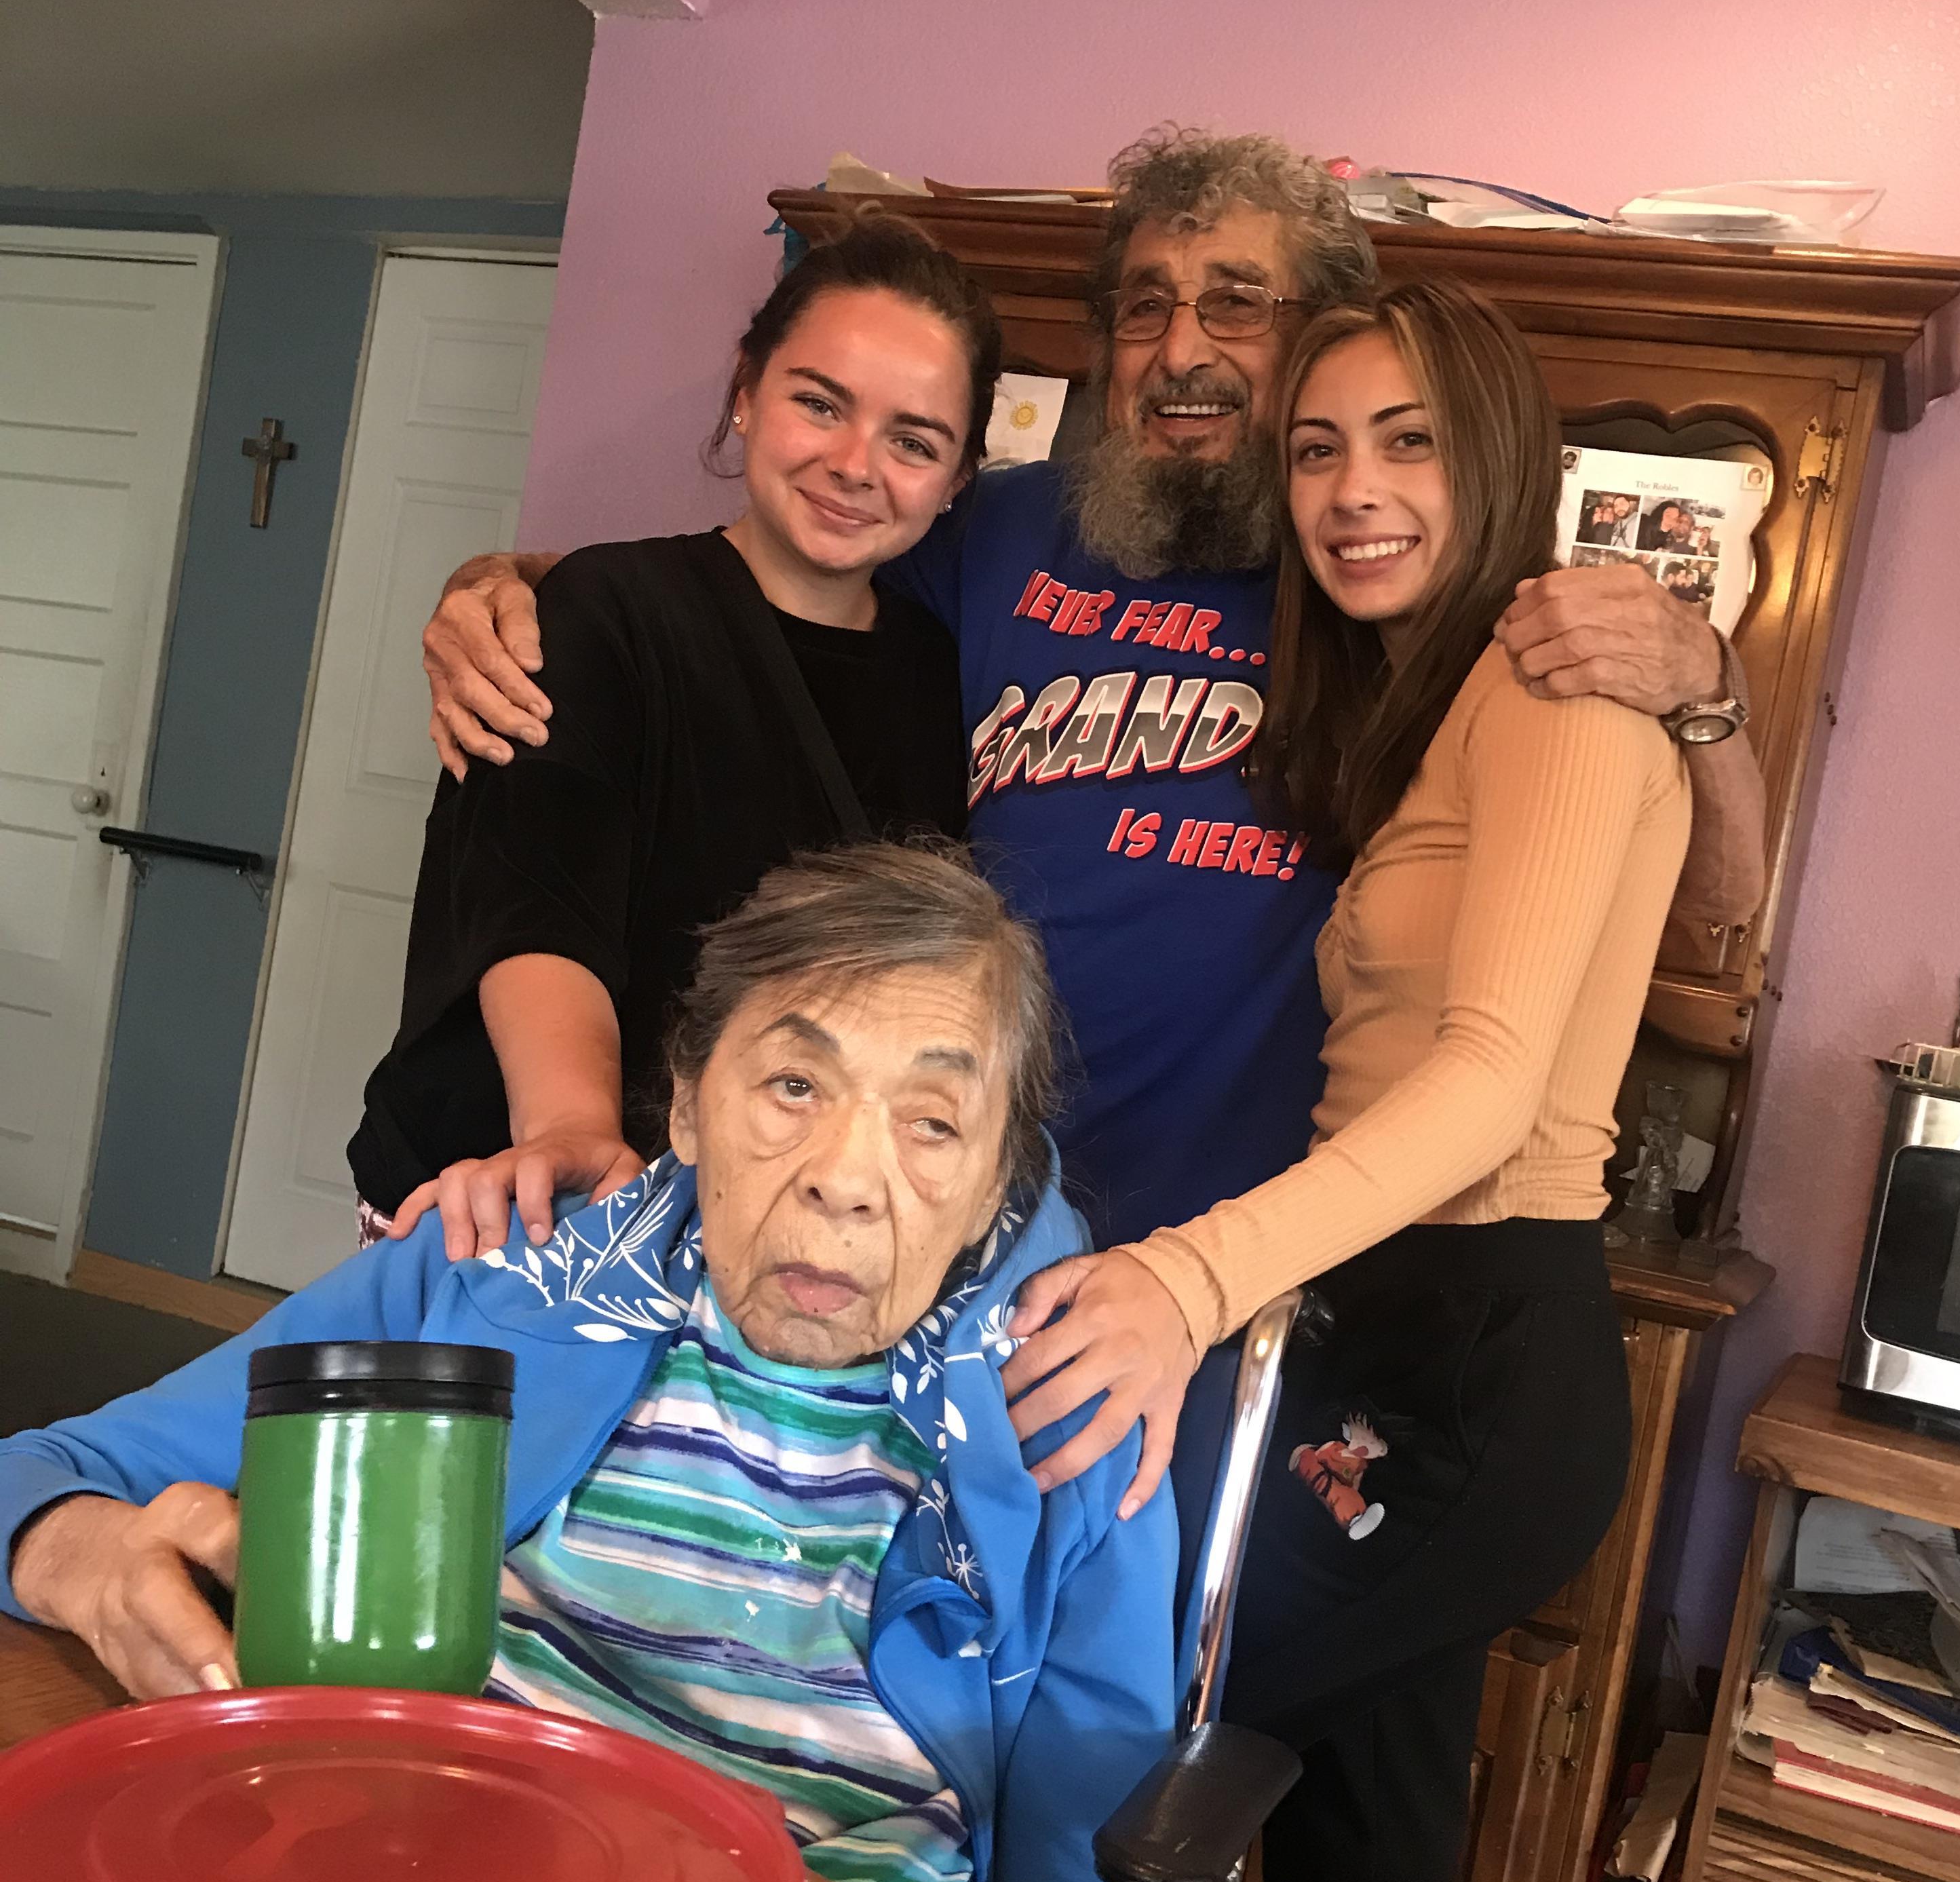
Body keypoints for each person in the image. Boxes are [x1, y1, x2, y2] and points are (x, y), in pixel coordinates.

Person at [419, 134, 1763, 1458]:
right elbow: (783, 578)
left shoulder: (1380, 594)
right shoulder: (1003, 531)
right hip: (938, 1236)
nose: (1182, 350)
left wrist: (1706, 683)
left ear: (1318, 339)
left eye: (1238, 303)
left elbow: (1708, 908)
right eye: (1144, 308)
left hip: (1224, 1269)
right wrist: (524, 588)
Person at [1003, 280, 1691, 1882]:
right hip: (1390, 1333)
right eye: (1318, 448)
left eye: (1408, 443)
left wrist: (1187, 1274)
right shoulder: (1440, 702)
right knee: (1366, 1852)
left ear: (1498, 459)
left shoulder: (1556, 695)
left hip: (1478, 1359)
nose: (1353, 491)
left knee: (1161, 1756)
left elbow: (1486, 1081)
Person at [0, 845, 1174, 1882]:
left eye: (933, 1123)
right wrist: (74, 1551)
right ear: (688, 1104)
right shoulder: (492, 1270)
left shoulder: (1067, 1421)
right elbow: (45, 1473)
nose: (849, 1181)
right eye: (794, 1087)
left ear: (996, 1181)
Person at [347, 214, 996, 1262]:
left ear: (959, 478)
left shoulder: (939, 674)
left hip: (753, 1241)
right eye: (819, 403)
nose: (854, 464)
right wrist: (571, 1125)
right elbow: (536, 901)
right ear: (746, 391)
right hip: (525, 1212)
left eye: (913, 441)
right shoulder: (602, 612)